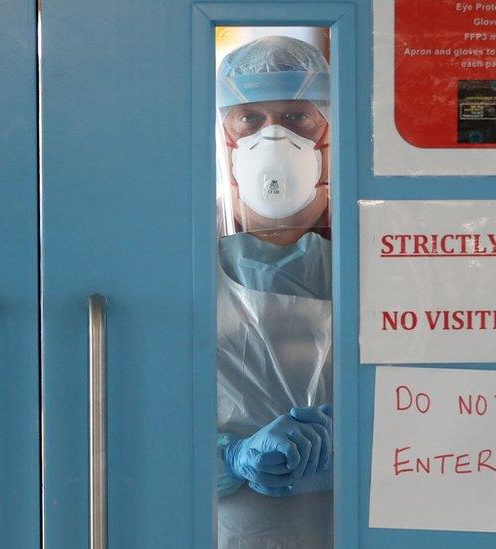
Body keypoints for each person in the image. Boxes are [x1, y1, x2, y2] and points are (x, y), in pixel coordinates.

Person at [215, 35, 334, 548]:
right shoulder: (179, 254)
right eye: (250, 119)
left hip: (353, 524)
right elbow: (145, 415)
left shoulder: (379, 252)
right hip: (225, 528)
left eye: (296, 117)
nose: (273, 137)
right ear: (225, 133)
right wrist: (227, 458)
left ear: (329, 128)